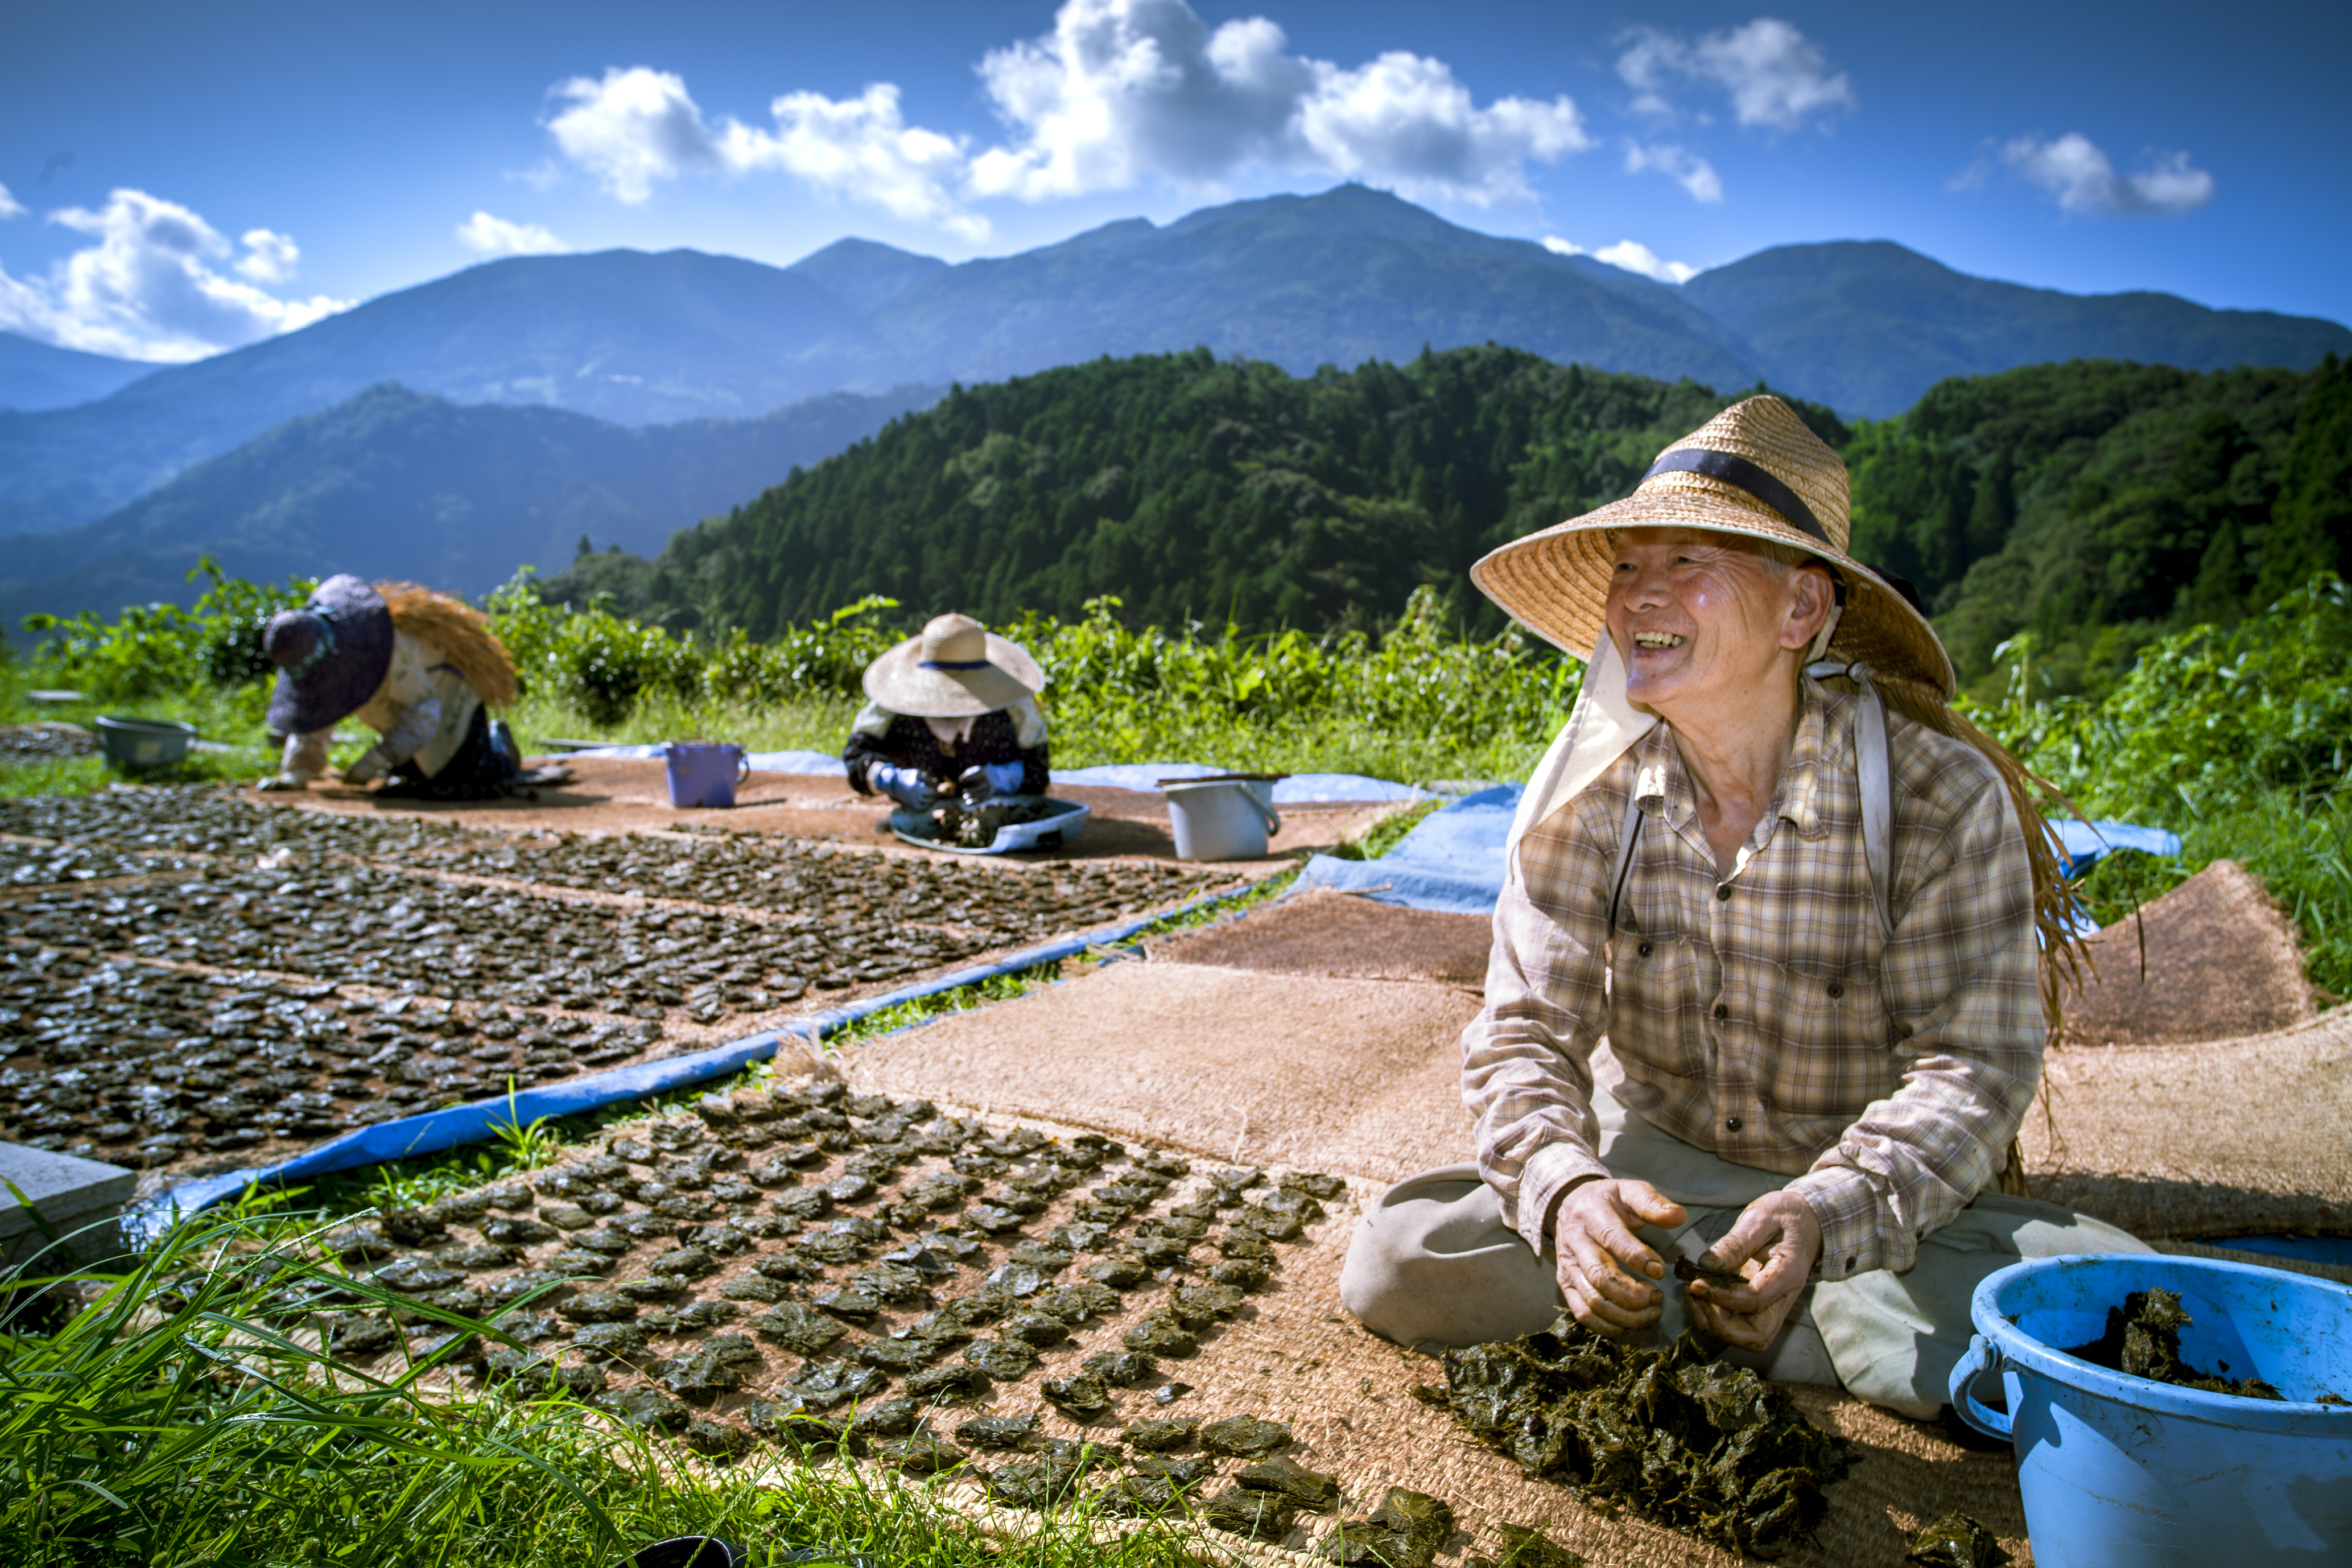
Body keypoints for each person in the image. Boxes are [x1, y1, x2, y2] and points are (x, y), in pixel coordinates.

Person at [1337, 395, 2150, 1420]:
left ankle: (1737, 1302)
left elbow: (1971, 1068)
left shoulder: (1933, 799)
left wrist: (1821, 1213)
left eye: (1687, 564)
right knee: (1396, 1260)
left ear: (1799, 612)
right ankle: (1801, 1323)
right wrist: (1569, 1195)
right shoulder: (1587, 800)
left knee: (2112, 1311)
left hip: (1850, 1187)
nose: (1640, 595)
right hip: (1653, 1174)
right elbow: (1521, 1033)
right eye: (1627, 566)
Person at [257, 575, 526, 800]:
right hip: (405, 716)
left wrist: (378, 758)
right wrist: (298, 770)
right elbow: (314, 710)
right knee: (409, 781)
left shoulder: (387, 649)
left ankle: (501, 747)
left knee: (467, 777)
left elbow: (424, 710)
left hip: (447, 696)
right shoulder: (318, 658)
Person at [844, 612, 1050, 812]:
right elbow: (857, 753)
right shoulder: (894, 705)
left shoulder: (1012, 705)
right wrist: (890, 779)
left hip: (996, 810)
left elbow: (1038, 767)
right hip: (919, 810)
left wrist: (1001, 778)